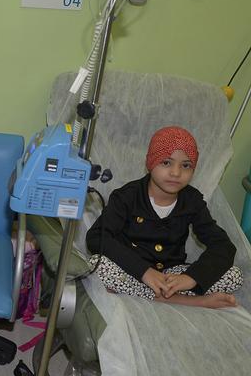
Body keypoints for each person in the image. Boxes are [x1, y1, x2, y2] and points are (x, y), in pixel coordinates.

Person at [86, 126, 242, 308]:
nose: (176, 173)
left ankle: (146, 291)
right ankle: (193, 301)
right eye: (166, 163)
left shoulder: (193, 201)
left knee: (234, 275)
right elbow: (96, 237)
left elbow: (223, 246)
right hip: (133, 271)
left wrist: (190, 278)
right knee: (98, 266)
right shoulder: (127, 196)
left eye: (186, 165)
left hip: (171, 275)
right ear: (150, 163)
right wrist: (144, 272)